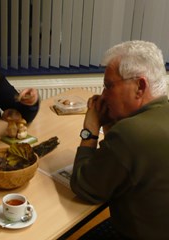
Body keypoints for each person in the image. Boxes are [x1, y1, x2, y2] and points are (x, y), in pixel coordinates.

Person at [70, 40, 169, 239]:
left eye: (108, 86)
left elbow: (84, 186)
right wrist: (111, 123)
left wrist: (90, 130)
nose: (104, 96)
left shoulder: (131, 133)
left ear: (140, 86)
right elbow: (122, 158)